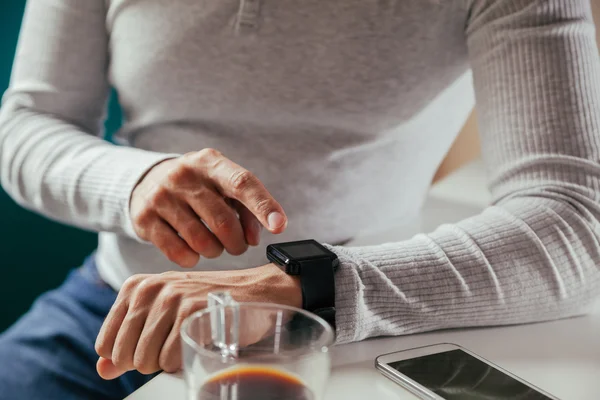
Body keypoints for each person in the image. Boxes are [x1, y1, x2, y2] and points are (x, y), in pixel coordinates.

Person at [1, 0, 600, 398]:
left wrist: (306, 285)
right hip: (113, 312)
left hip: (345, 339)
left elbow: (574, 221)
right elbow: (24, 126)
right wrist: (132, 181)